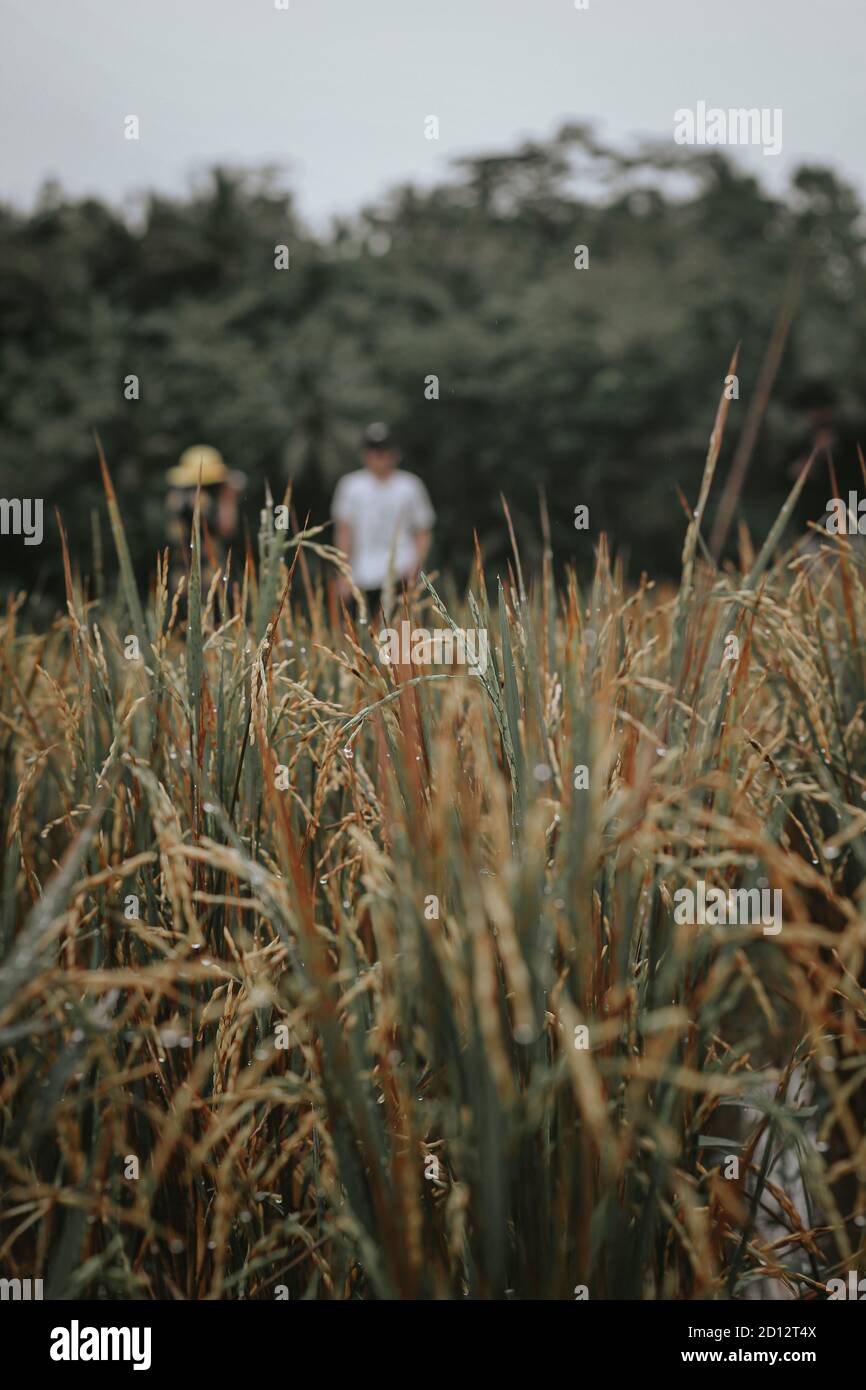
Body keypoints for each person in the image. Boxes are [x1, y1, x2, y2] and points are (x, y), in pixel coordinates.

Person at [332, 422, 435, 619]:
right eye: (373, 450)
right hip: (362, 576)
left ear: (394, 453)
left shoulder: (410, 486)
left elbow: (423, 531)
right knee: (364, 639)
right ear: (365, 454)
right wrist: (343, 575)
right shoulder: (350, 486)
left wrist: (416, 568)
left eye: (384, 450)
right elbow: (344, 532)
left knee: (404, 638)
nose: (379, 456)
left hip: (402, 574)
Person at [165, 445, 244, 593]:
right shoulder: (198, 500)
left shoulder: (175, 497)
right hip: (205, 578)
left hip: (180, 578)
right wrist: (228, 496)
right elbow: (227, 528)